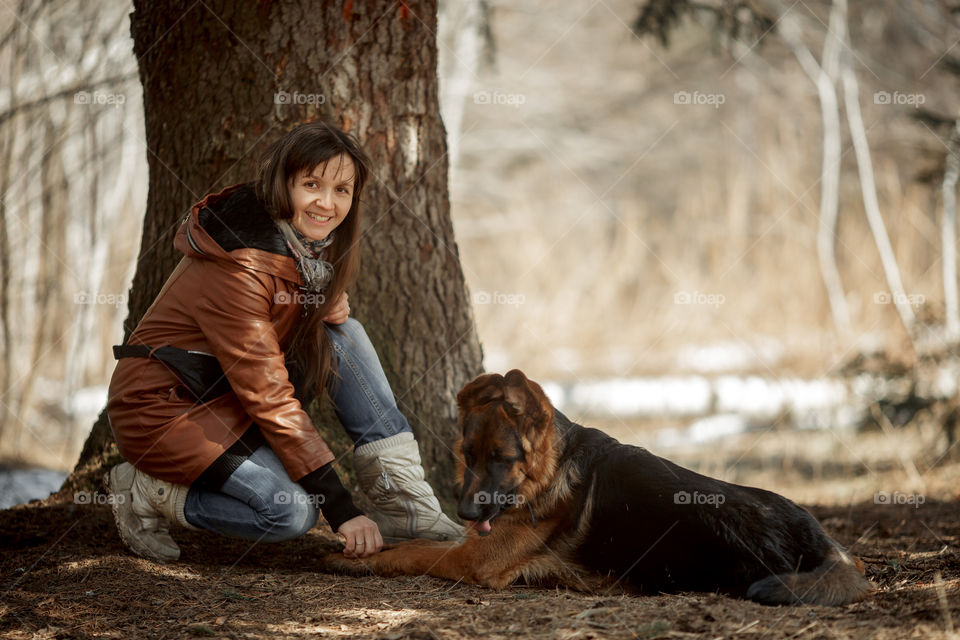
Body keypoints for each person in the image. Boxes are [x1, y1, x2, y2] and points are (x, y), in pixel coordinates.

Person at [104, 120, 463, 563]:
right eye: (312, 184)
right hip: (167, 411)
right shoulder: (239, 264)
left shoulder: (302, 250)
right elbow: (268, 393)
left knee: (344, 333)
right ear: (283, 184)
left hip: (227, 399)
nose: (327, 203)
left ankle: (405, 505)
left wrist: (316, 303)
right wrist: (341, 508)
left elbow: (277, 332)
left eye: (341, 190)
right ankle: (146, 491)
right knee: (290, 513)